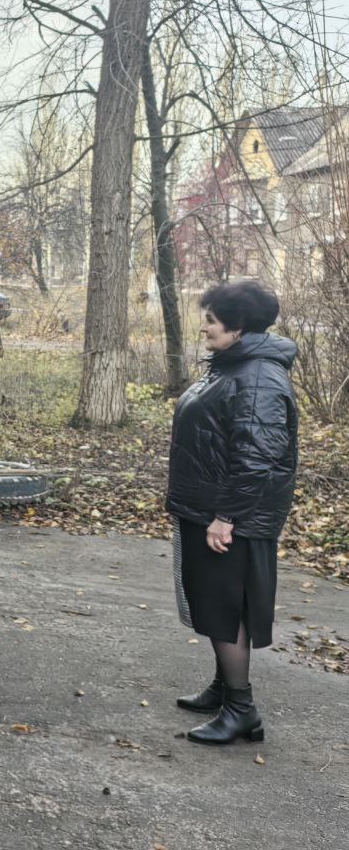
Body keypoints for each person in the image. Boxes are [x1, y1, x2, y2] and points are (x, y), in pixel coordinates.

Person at [166, 281, 297, 745]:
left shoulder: (257, 375)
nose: (203, 326)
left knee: (226, 610)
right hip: (211, 509)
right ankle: (226, 689)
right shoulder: (233, 365)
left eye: (211, 318)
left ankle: (242, 710)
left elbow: (257, 457)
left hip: (231, 517)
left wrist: (225, 516)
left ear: (237, 328)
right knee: (217, 606)